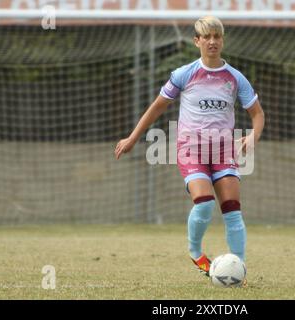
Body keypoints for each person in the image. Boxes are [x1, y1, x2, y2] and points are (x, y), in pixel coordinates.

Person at [114, 16, 265, 278]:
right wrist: (133, 137)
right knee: (205, 203)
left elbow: (258, 114)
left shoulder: (235, 78)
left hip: (222, 151)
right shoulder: (184, 74)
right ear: (197, 41)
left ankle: (237, 269)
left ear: (222, 40)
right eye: (206, 37)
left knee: (232, 209)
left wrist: (253, 137)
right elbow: (157, 107)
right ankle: (195, 251)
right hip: (190, 150)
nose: (212, 41)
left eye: (217, 37)